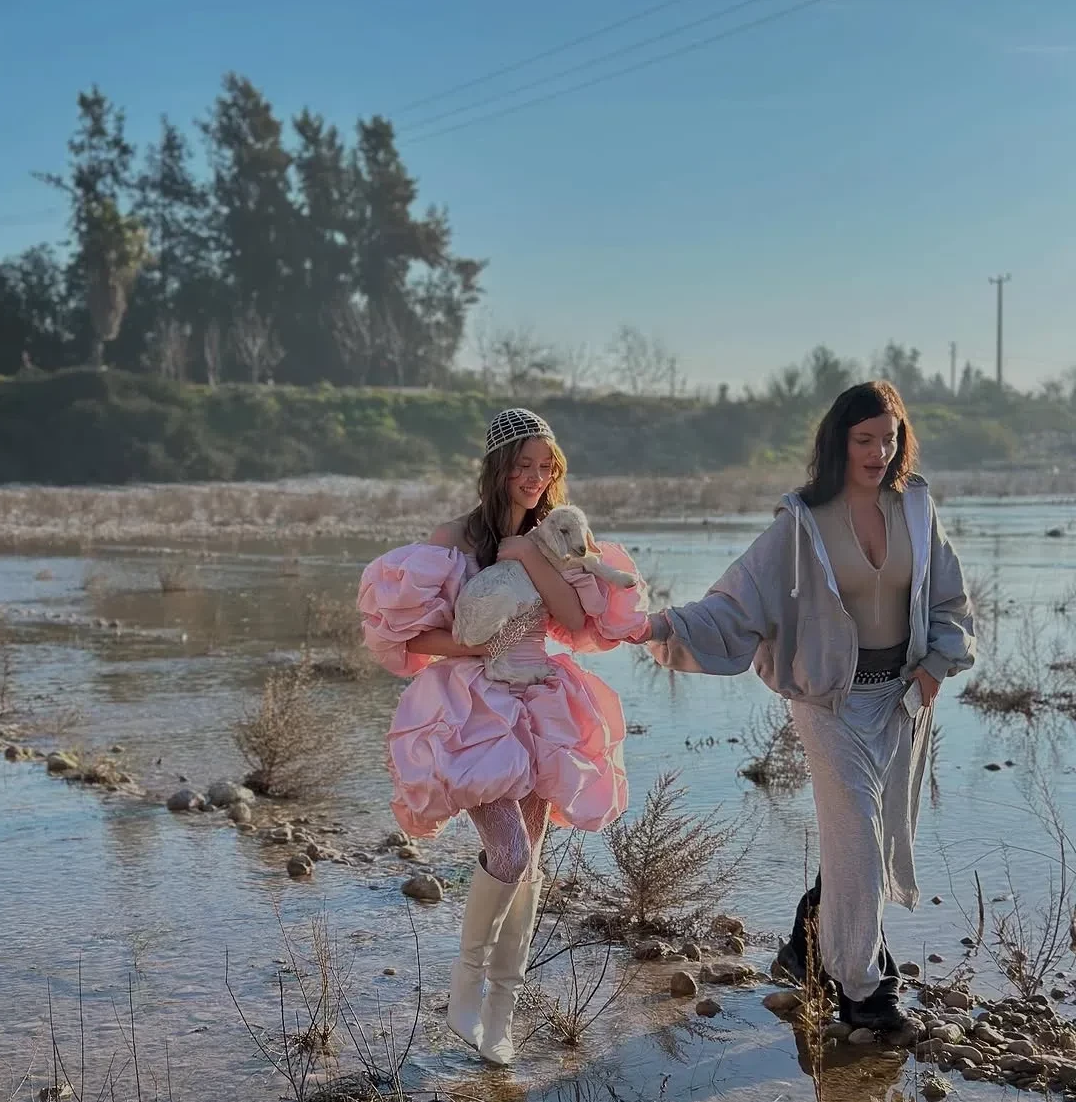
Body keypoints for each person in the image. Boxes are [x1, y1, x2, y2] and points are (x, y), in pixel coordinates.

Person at [635, 381, 975, 1035]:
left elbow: (950, 601)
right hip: (828, 702)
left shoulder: (916, 508)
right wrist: (658, 626)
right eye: (864, 439)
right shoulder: (802, 524)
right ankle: (866, 993)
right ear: (839, 443)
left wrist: (937, 664)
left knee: (864, 836)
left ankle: (807, 942)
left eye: (889, 438)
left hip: (901, 699)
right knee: (861, 840)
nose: (879, 452)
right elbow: (736, 603)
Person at [358, 408, 649, 1065]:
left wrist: (526, 555)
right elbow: (414, 636)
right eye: (524, 465)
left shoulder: (552, 536)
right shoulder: (455, 538)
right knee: (510, 853)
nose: (535, 478)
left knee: (533, 863)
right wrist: (480, 645)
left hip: (541, 700)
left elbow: (574, 619)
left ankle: (501, 1009)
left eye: (547, 467)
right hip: (477, 705)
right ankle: (465, 989)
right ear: (499, 468)